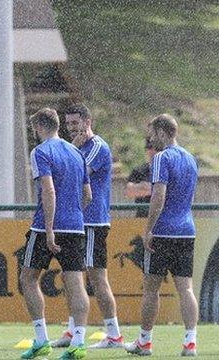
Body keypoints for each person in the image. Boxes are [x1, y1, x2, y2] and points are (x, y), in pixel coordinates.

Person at [19, 108, 92, 360]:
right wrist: (74, 214)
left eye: (34, 129)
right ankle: (79, 343)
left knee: (28, 279)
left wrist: (50, 229)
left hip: (45, 227)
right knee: (76, 284)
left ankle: (41, 340)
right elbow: (87, 195)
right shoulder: (76, 152)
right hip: (75, 226)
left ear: (39, 127)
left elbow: (48, 192)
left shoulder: (40, 152)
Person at [124, 114, 199, 357]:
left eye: (153, 134)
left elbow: (158, 196)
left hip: (164, 231)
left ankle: (144, 342)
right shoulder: (190, 159)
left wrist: (149, 228)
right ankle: (190, 342)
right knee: (185, 289)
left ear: (163, 132)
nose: (151, 139)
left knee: (151, 289)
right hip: (187, 229)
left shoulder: (161, 158)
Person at [51, 103, 122, 349]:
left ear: (87, 121)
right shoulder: (78, 148)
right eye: (68, 124)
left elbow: (72, 171)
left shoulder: (97, 148)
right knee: (69, 277)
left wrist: (72, 149)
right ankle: (72, 330)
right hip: (77, 221)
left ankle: (113, 334)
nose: (71, 128)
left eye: (75, 123)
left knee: (96, 278)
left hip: (92, 221)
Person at [124, 138, 157, 217]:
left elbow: (171, 192)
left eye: (156, 148)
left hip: (163, 218)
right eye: (149, 148)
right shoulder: (139, 171)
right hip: (142, 218)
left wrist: (145, 188)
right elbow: (128, 192)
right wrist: (157, 190)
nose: (152, 151)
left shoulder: (168, 170)